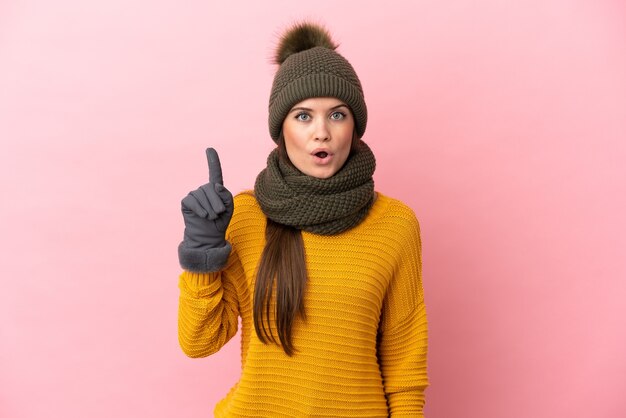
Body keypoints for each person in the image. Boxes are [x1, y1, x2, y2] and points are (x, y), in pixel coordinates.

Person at [177, 22, 428, 417]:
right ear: (282, 128)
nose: (322, 133)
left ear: (355, 126)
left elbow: (405, 369)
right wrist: (201, 255)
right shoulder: (243, 215)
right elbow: (199, 342)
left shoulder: (395, 225)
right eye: (303, 116)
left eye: (337, 115)